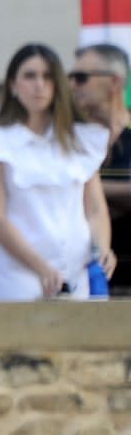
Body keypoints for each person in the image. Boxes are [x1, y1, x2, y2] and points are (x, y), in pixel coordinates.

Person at [0, 44, 114, 301]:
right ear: (12, 84)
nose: (39, 85)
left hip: (76, 273)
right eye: (30, 76)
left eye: (47, 77)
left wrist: (101, 248)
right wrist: (41, 267)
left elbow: (95, 209)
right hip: (17, 276)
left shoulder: (80, 140)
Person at [72, 43, 131, 294]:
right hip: (86, 276)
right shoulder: (69, 137)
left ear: (114, 82)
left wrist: (89, 187)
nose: (73, 85)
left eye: (82, 78)